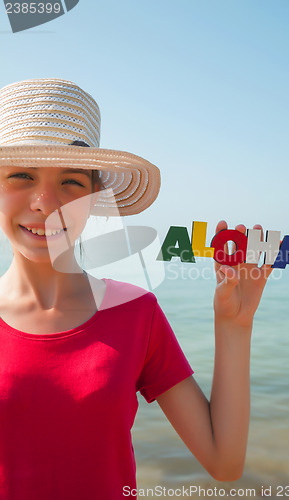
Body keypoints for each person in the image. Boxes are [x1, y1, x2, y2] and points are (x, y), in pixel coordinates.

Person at [0, 79, 272, 500]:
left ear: (95, 197)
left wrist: (235, 325)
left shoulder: (134, 313)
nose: (45, 202)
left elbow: (225, 462)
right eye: (21, 175)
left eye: (71, 182)